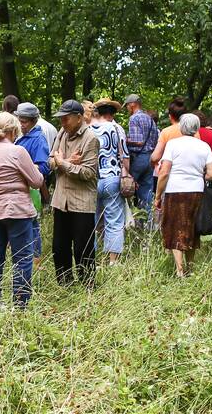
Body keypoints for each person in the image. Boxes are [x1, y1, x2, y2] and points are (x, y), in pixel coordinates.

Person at [0, 112, 44, 307]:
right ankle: (20, 305)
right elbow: (37, 181)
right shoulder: (18, 152)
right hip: (18, 212)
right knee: (22, 258)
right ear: (14, 130)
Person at [153, 113, 212, 277]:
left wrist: (157, 196)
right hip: (197, 191)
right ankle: (190, 267)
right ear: (197, 128)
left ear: (182, 127)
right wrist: (198, 176)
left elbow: (164, 172)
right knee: (192, 228)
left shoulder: (173, 144)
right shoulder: (203, 146)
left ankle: (179, 270)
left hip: (175, 190)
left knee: (175, 227)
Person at [47, 100, 99, 286]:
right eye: (60, 119)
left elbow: (88, 173)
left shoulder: (91, 138)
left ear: (78, 118)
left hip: (81, 201)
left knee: (82, 248)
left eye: (65, 119)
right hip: (61, 199)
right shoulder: (61, 133)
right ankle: (65, 284)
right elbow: (51, 161)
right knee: (59, 247)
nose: (62, 123)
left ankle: (87, 285)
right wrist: (67, 161)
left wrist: (63, 163)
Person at [89, 99, 130, 264]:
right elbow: (124, 156)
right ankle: (113, 261)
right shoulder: (116, 128)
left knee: (91, 221)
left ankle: (91, 258)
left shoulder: (88, 129)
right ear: (112, 113)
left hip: (91, 179)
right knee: (114, 220)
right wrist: (127, 173)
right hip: (112, 178)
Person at [14, 102, 51, 264]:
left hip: (30, 191)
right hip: (19, 191)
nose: (21, 124)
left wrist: (25, 168)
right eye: (19, 120)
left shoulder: (38, 138)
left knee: (32, 226)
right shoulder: (21, 136)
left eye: (25, 121)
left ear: (34, 121)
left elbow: (44, 167)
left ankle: (36, 261)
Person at [124, 94, 159, 227]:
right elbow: (155, 140)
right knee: (147, 193)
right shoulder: (150, 120)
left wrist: (125, 140)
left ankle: (129, 223)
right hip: (150, 159)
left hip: (138, 158)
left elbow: (138, 142)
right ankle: (147, 224)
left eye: (127, 105)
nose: (127, 108)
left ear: (133, 104)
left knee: (126, 189)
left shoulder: (134, 118)